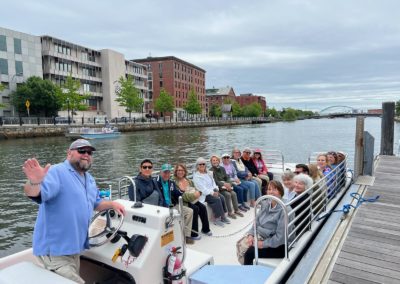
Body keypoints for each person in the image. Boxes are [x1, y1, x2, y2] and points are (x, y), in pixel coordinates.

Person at [22, 139, 126, 283]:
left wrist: (112, 204)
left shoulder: (89, 179)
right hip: (56, 253)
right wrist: (35, 182)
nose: (86, 155)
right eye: (81, 151)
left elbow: (96, 202)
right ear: (69, 153)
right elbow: (35, 194)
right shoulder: (57, 172)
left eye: (89, 152)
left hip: (75, 251)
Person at [243, 181, 294, 265]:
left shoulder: (285, 210)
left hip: (280, 245)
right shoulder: (265, 203)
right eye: (269, 189)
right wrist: (251, 234)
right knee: (242, 243)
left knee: (250, 253)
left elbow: (281, 238)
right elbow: (256, 222)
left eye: (275, 189)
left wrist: (262, 244)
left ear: (281, 192)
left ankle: (248, 274)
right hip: (264, 236)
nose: (271, 192)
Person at [155, 163, 195, 244]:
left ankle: (185, 236)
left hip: (172, 205)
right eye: (165, 172)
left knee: (190, 211)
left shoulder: (171, 183)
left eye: (168, 172)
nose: (167, 174)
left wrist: (183, 191)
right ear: (161, 172)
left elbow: (177, 193)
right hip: (162, 207)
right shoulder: (155, 182)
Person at [174, 163, 212, 237]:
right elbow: (182, 196)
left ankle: (205, 229)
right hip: (182, 202)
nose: (180, 172)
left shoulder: (188, 180)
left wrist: (199, 192)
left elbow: (195, 189)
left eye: (182, 170)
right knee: (195, 208)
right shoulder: (175, 182)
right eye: (178, 170)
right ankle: (193, 233)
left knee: (203, 207)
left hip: (192, 200)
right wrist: (194, 195)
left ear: (185, 171)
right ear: (176, 171)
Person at [192, 157, 230, 227]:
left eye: (203, 164)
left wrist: (216, 189)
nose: (202, 165)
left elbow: (213, 183)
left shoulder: (208, 173)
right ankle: (217, 219)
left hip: (212, 191)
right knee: (217, 199)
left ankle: (223, 216)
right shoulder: (196, 176)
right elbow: (202, 189)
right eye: (200, 164)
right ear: (197, 166)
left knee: (222, 197)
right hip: (204, 194)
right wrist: (212, 193)